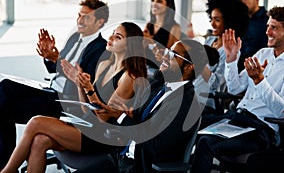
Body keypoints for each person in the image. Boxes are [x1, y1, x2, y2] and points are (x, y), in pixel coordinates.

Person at [0, 22, 148, 173]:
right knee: (39, 141)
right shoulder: (104, 65)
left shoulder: (129, 77)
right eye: (113, 32)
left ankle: (7, 171)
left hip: (102, 137)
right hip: (87, 125)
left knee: (36, 122)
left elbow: (103, 118)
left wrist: (89, 89)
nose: (110, 37)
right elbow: (86, 108)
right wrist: (79, 85)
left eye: (118, 37)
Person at [0, 0, 110, 171]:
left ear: (100, 22)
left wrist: (57, 59)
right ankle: (3, 166)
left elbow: (83, 81)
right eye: (79, 15)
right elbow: (55, 68)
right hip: (51, 91)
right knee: (4, 108)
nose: (79, 20)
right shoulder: (75, 38)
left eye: (86, 17)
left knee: (6, 87)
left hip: (66, 102)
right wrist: (48, 55)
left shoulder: (101, 49)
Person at [75, 40, 220, 173]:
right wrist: (121, 114)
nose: (164, 56)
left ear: (189, 67)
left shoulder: (188, 105)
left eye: (173, 54)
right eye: (167, 51)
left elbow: (156, 147)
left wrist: (122, 117)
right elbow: (136, 121)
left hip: (141, 167)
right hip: (121, 158)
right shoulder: (157, 85)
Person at [191, 6, 284, 173]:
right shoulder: (263, 54)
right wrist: (231, 59)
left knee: (206, 142)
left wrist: (259, 80)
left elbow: (281, 112)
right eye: (268, 27)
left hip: (261, 129)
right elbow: (234, 88)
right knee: (188, 124)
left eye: (274, 28)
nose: (267, 32)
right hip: (238, 118)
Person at [193, 0, 249, 124]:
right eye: (211, 19)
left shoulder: (229, 50)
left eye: (217, 20)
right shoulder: (210, 41)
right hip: (192, 94)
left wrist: (200, 64)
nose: (212, 24)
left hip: (207, 101)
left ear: (229, 21)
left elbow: (215, 84)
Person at [143, 0, 181, 73]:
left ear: (168, 5)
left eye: (159, 1)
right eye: (153, 0)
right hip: (145, 67)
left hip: (159, 71)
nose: (154, 4)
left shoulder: (174, 28)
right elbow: (141, 52)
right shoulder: (149, 25)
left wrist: (151, 42)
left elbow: (167, 60)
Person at [237, 0, 269, 72]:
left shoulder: (267, 21)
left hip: (257, 69)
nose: (241, 2)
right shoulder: (238, 19)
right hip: (238, 68)